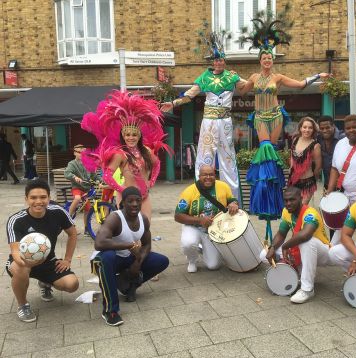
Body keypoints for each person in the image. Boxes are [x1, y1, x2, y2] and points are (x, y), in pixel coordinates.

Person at [238, 12, 330, 226]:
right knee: (265, 148)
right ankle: (265, 196)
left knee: (273, 152)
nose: (267, 60)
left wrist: (317, 76)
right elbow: (242, 92)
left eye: (270, 58)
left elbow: (299, 84)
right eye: (264, 58)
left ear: (272, 60)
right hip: (260, 116)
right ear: (260, 60)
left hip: (276, 116)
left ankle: (276, 194)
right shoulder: (253, 77)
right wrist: (231, 79)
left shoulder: (278, 78)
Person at [161, 32, 247, 202]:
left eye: (221, 59)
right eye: (216, 60)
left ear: (224, 61)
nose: (219, 62)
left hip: (225, 121)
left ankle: (232, 198)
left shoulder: (232, 76)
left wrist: (261, 79)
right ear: (213, 61)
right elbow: (190, 95)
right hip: (209, 121)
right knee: (205, 155)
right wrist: (174, 103)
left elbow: (247, 85)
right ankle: (202, 197)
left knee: (228, 157)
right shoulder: (204, 77)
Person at [81, 90, 171, 221]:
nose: (131, 138)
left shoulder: (146, 151)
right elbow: (107, 176)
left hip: (144, 197)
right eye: (127, 135)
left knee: (145, 229)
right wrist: (122, 190)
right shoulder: (120, 154)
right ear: (123, 136)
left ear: (139, 136)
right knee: (130, 233)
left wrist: (152, 181)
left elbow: (157, 164)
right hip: (127, 199)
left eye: (134, 135)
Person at [91, 186, 169, 326]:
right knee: (106, 258)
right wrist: (128, 246)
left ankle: (127, 284)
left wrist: (138, 262)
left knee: (161, 261)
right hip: (107, 259)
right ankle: (110, 310)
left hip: (128, 257)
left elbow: (146, 245)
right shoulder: (115, 218)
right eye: (130, 201)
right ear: (123, 203)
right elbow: (99, 243)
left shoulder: (143, 218)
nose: (135, 204)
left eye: (138, 200)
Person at [5, 179, 79, 322]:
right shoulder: (16, 220)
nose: (38, 201)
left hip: (48, 261)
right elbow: (15, 252)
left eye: (43, 197)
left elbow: (73, 233)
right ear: (26, 199)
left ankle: (45, 282)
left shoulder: (58, 212)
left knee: (72, 285)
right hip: (22, 261)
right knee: (21, 269)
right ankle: (22, 305)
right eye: (33, 198)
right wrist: (28, 263)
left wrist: (67, 259)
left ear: (49, 198)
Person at [261, 186, 337, 304]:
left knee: (307, 242)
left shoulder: (310, 214)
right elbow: (281, 234)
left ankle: (307, 289)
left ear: (301, 199)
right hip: (302, 250)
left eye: (292, 200)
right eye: (286, 200)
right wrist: (272, 248)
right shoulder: (286, 211)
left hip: (322, 252)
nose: (288, 203)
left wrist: (286, 246)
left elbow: (305, 235)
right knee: (264, 254)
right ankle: (293, 269)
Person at [174, 165, 239, 273]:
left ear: (215, 175)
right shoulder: (189, 191)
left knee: (213, 266)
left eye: (211, 174)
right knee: (188, 243)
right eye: (205, 174)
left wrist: (234, 203)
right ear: (199, 176)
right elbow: (178, 216)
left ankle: (200, 248)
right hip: (193, 226)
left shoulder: (223, 186)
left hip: (213, 230)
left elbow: (232, 200)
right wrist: (199, 220)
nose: (208, 177)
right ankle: (192, 260)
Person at [288, 117, 322, 204]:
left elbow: (318, 167)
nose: (307, 130)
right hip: (293, 181)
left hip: (308, 183)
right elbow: (292, 156)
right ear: (300, 128)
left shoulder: (315, 145)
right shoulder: (295, 140)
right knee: (293, 207)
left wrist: (314, 179)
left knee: (302, 207)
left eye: (310, 128)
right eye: (305, 127)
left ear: (313, 130)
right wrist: (291, 169)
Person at [64, 144, 95, 235]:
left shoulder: (88, 163)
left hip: (86, 190)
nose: (82, 154)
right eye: (79, 152)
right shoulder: (72, 164)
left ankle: (86, 228)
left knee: (87, 209)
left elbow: (94, 175)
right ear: (74, 153)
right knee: (77, 198)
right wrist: (74, 177)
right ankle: (68, 216)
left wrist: (101, 181)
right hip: (77, 188)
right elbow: (67, 173)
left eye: (84, 153)